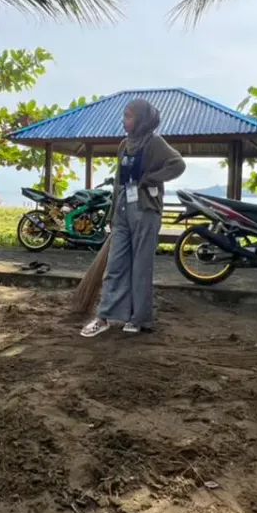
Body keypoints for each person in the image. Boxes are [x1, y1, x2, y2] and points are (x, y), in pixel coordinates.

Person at [81, 99, 185, 337]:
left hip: (146, 211)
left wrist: (151, 178)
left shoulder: (155, 143)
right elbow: (119, 181)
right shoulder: (124, 145)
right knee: (115, 265)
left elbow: (178, 164)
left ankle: (139, 318)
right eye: (125, 116)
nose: (124, 120)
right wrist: (112, 213)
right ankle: (104, 317)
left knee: (141, 267)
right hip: (123, 210)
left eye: (128, 116)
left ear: (142, 119)